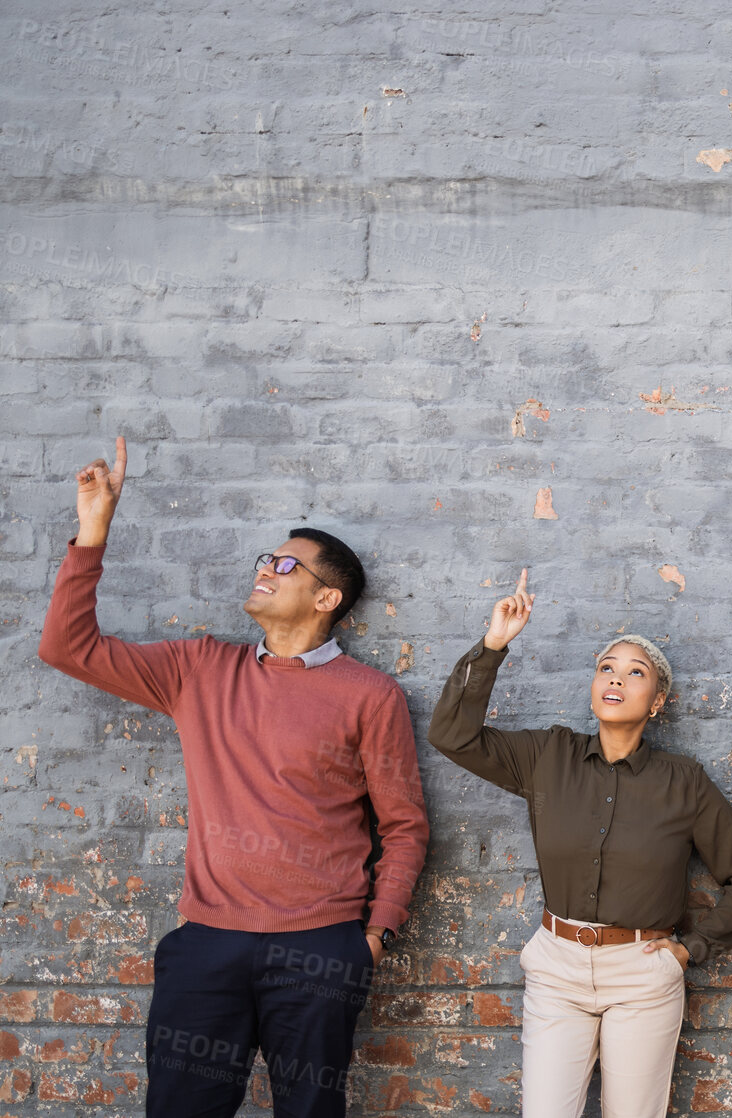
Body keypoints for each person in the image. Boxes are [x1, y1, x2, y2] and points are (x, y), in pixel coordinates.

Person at [38, 437, 429, 1118]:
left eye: (285, 564)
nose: (266, 571)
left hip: (321, 951)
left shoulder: (370, 695)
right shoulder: (200, 668)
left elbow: (404, 826)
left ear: (326, 597)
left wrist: (374, 933)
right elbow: (66, 648)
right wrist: (94, 530)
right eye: (265, 560)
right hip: (206, 946)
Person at [428, 570, 732, 1118]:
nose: (616, 679)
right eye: (606, 668)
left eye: (636, 673)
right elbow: (452, 736)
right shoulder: (547, 756)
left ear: (657, 702)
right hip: (556, 967)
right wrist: (494, 645)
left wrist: (690, 949)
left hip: (642, 973)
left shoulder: (684, 781)